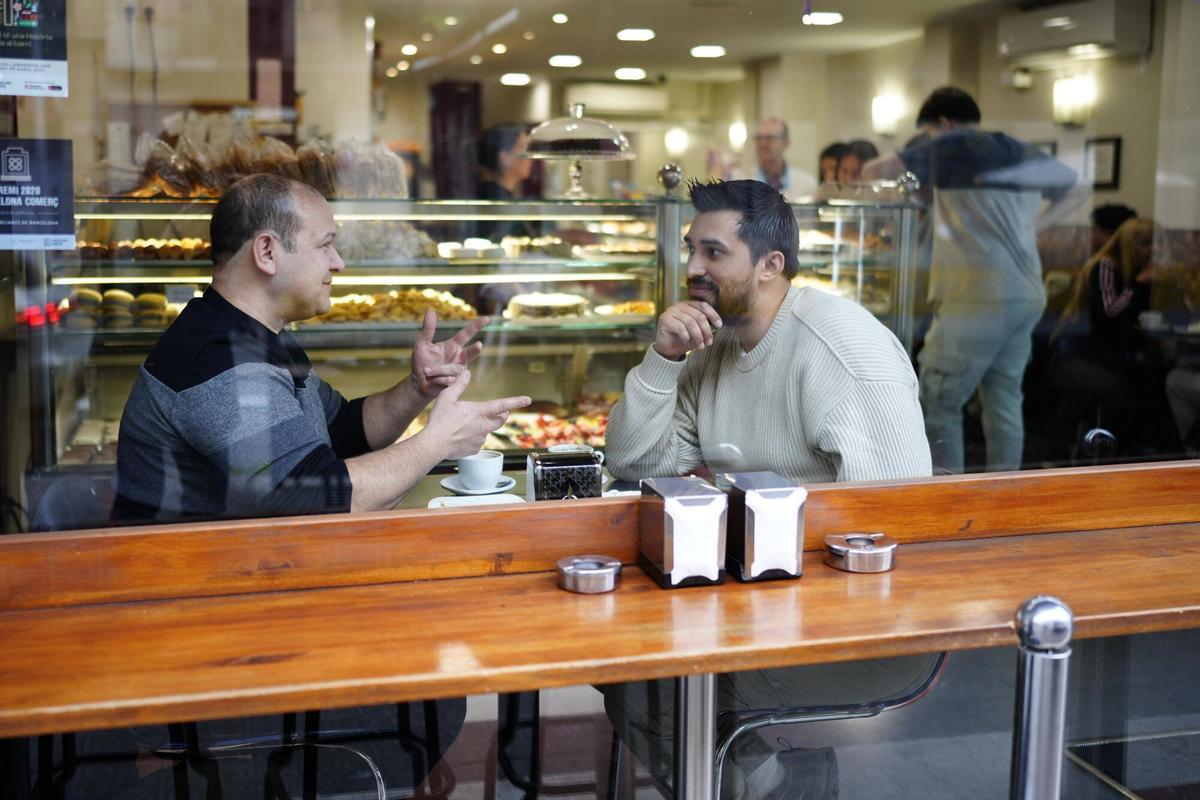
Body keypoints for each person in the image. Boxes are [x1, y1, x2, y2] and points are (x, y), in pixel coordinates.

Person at [602, 179, 932, 799]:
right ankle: (771, 778)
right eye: (691, 249)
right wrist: (663, 358)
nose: (692, 268)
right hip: (755, 599)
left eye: (714, 253)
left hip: (860, 623)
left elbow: (897, 519)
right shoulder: (710, 345)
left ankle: (774, 781)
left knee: (650, 687)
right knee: (621, 664)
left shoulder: (840, 349)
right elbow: (631, 460)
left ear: (771, 264)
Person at [115, 174, 531, 522]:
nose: (338, 262)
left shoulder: (259, 337)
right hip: (189, 595)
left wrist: (416, 390)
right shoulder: (217, 359)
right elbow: (313, 501)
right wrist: (437, 441)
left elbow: (341, 432)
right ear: (267, 252)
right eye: (325, 244)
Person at [863, 86, 1079, 473]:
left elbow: (873, 171)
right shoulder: (1016, 148)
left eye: (928, 134)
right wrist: (1035, 225)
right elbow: (1078, 189)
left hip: (977, 296)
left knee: (939, 400)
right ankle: (1003, 497)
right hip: (1025, 292)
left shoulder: (954, 144)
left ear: (943, 124)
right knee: (1003, 399)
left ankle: (949, 497)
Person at [1052, 218, 1176, 456]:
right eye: (1146, 243)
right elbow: (1111, 312)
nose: (1153, 250)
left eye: (1158, 243)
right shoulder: (1106, 266)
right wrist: (1140, 284)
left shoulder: (1142, 270)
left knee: (1157, 382)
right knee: (1126, 392)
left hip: (1116, 355)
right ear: (1128, 244)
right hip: (1082, 356)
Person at [747, 117, 817, 199]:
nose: (763, 144)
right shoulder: (739, 182)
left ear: (786, 142)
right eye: (759, 138)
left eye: (769, 138)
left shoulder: (806, 184)